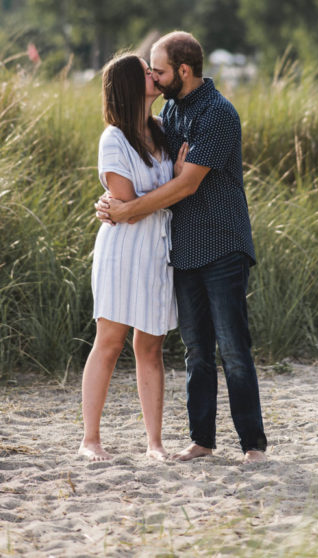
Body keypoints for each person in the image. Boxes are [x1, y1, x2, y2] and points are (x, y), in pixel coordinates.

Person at [98, 31, 267, 463]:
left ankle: (253, 446)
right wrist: (111, 201)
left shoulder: (218, 114)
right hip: (183, 249)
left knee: (232, 347)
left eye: (159, 69)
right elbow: (142, 164)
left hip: (223, 243)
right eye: (150, 71)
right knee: (196, 351)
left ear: (184, 71)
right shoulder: (168, 113)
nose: (153, 75)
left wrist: (129, 209)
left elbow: (187, 183)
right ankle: (202, 442)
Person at [78, 53, 178, 462]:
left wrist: (161, 196)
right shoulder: (114, 139)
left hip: (157, 249)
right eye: (145, 73)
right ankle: (90, 439)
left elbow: (143, 203)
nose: (154, 76)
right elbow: (124, 202)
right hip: (122, 250)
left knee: (150, 346)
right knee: (110, 340)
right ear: (127, 85)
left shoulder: (163, 129)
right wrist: (170, 193)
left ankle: (154, 443)